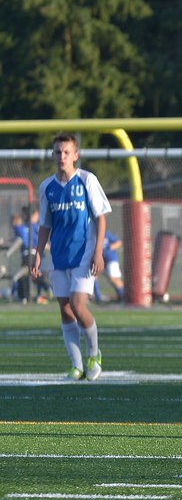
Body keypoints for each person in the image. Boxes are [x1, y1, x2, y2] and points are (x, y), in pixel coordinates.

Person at [30, 133, 112, 381]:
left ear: (75, 155)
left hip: (83, 254)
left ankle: (94, 354)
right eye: (58, 152)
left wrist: (98, 251)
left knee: (78, 304)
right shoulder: (47, 187)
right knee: (65, 309)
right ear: (52, 155)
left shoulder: (87, 180)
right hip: (58, 256)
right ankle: (76, 366)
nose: (62, 156)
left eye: (66, 152)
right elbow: (45, 225)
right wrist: (38, 255)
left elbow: (100, 217)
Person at [94, 231, 125, 303]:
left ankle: (123, 295)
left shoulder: (105, 234)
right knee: (94, 275)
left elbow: (118, 242)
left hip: (111, 259)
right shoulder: (91, 235)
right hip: (101, 261)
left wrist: (110, 248)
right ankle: (97, 296)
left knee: (113, 278)